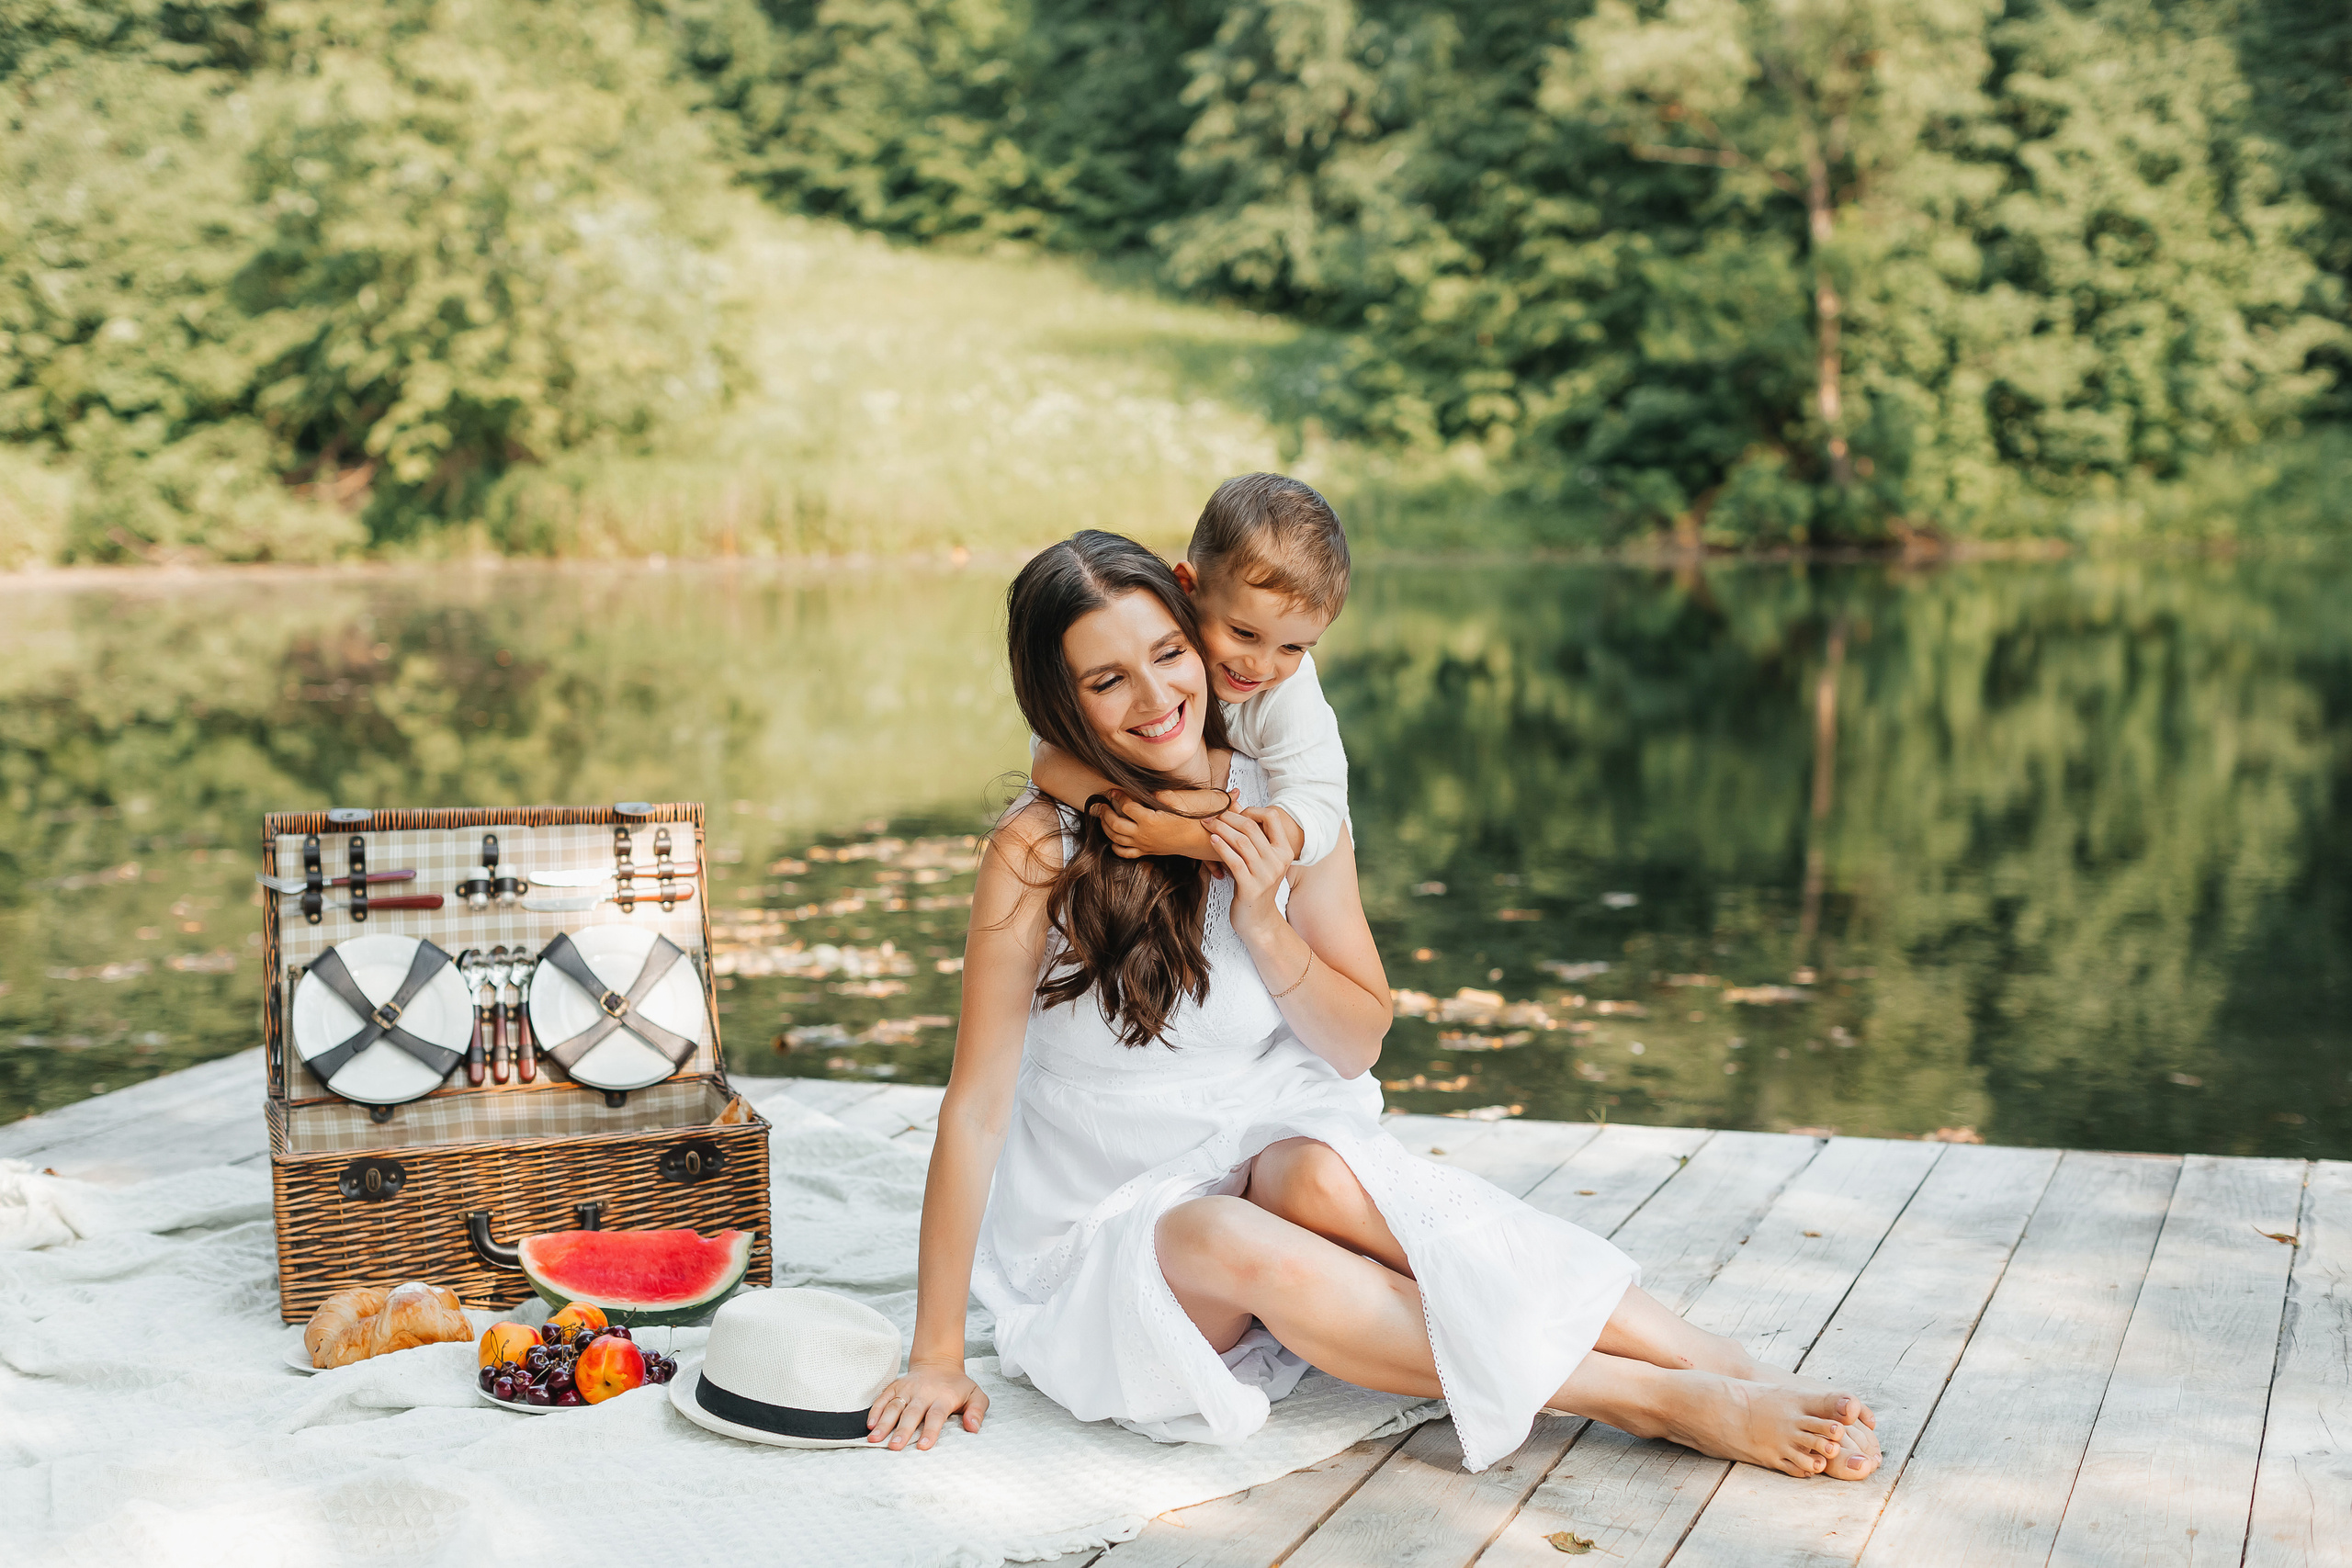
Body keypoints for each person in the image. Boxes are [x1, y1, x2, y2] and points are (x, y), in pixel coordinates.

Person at [865, 530, 1882, 1483]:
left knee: (1315, 1170)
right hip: (1110, 1238)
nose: (1154, 696)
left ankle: (1713, 1357)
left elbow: (1353, 1045)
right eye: (1105, 680)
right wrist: (938, 1352)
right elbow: (977, 1107)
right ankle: (1650, 1401)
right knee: (1219, 1230)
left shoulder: (1288, 800)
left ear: (1195, 628)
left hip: (1262, 1165)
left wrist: (1264, 917)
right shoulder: (1037, 848)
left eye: (1169, 654)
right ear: (1061, 701)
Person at [1030, 473, 1350, 872]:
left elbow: (1315, 809)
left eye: (1293, 647)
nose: (1262, 666)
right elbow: (1047, 760)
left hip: (1299, 878)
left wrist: (1188, 837)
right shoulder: (1155, 649)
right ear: (1187, 587)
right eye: (1243, 633)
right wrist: (1175, 806)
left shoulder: (1288, 693)